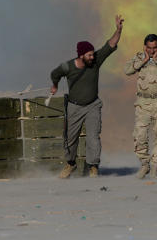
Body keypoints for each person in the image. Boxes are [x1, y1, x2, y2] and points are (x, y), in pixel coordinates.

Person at [50, 14, 124, 178]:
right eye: (89, 54)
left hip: (92, 105)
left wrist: (118, 29)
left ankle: (93, 166)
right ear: (81, 55)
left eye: (92, 54)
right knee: (70, 139)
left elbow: (110, 44)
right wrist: (55, 85)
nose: (92, 56)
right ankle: (70, 164)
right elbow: (55, 73)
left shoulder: (95, 60)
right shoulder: (67, 66)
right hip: (74, 106)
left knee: (93, 138)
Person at [124, 34, 157, 179]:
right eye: (149, 48)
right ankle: (144, 164)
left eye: (154, 48)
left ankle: (155, 167)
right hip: (143, 103)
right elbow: (127, 70)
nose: (151, 50)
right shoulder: (140, 57)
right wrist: (145, 60)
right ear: (144, 46)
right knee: (139, 135)